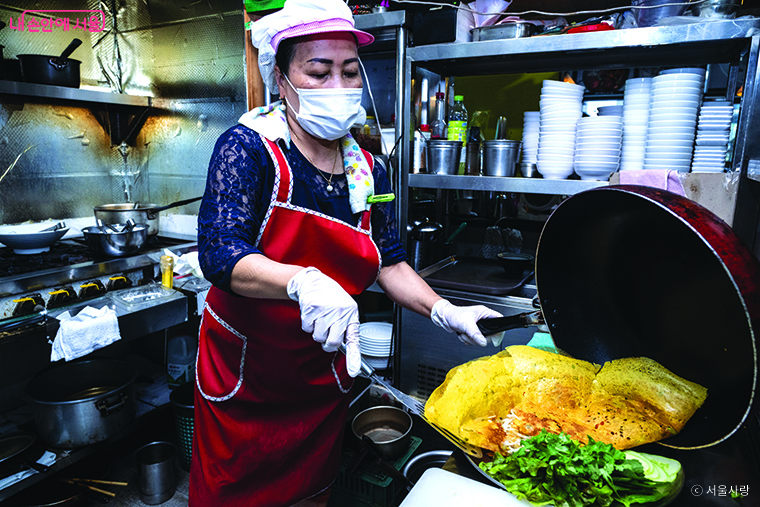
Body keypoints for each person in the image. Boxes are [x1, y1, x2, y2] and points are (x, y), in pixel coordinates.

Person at [190, 0, 503, 505]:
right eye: (318, 71)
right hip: (249, 378)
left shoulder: (367, 168)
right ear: (280, 80)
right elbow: (220, 252)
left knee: (313, 491)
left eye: (349, 71)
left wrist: (442, 310)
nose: (339, 85)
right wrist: (300, 282)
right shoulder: (248, 148)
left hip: (320, 376)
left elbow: (388, 260)